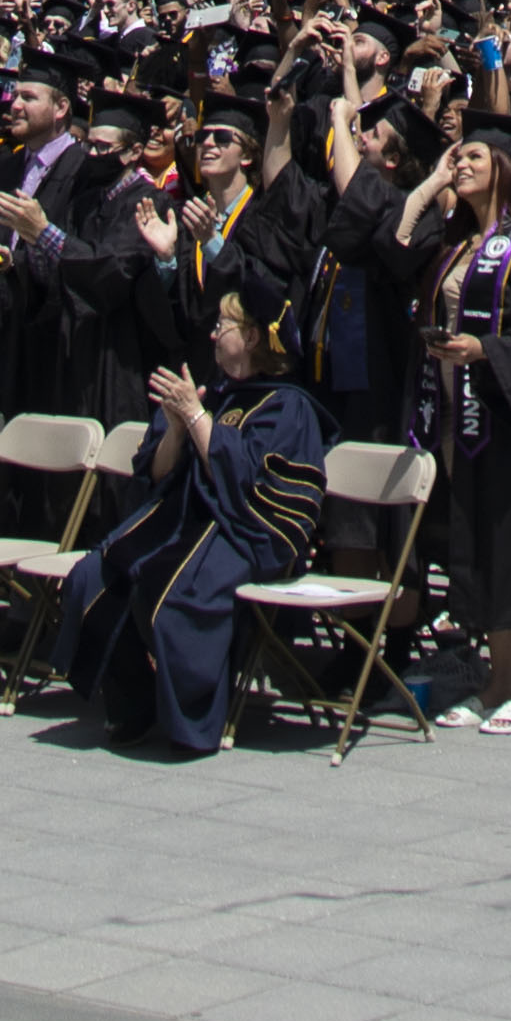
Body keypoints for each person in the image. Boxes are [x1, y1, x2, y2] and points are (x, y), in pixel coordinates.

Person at [52, 280, 329, 754]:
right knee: (92, 577)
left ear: (254, 338)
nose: (213, 334)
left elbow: (250, 491)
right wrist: (178, 430)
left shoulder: (289, 406)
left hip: (241, 535)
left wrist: (198, 419)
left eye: (224, 325)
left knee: (173, 597)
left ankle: (192, 720)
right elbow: (156, 475)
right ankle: (134, 705)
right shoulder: (211, 394)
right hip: (181, 523)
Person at [393, 128, 511, 731]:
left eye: (473, 156)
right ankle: (498, 680)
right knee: (483, 546)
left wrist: (486, 350)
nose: (459, 163)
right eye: (456, 154)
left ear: (503, 167)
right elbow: (397, 248)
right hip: (458, 417)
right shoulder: (456, 244)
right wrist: (432, 185)